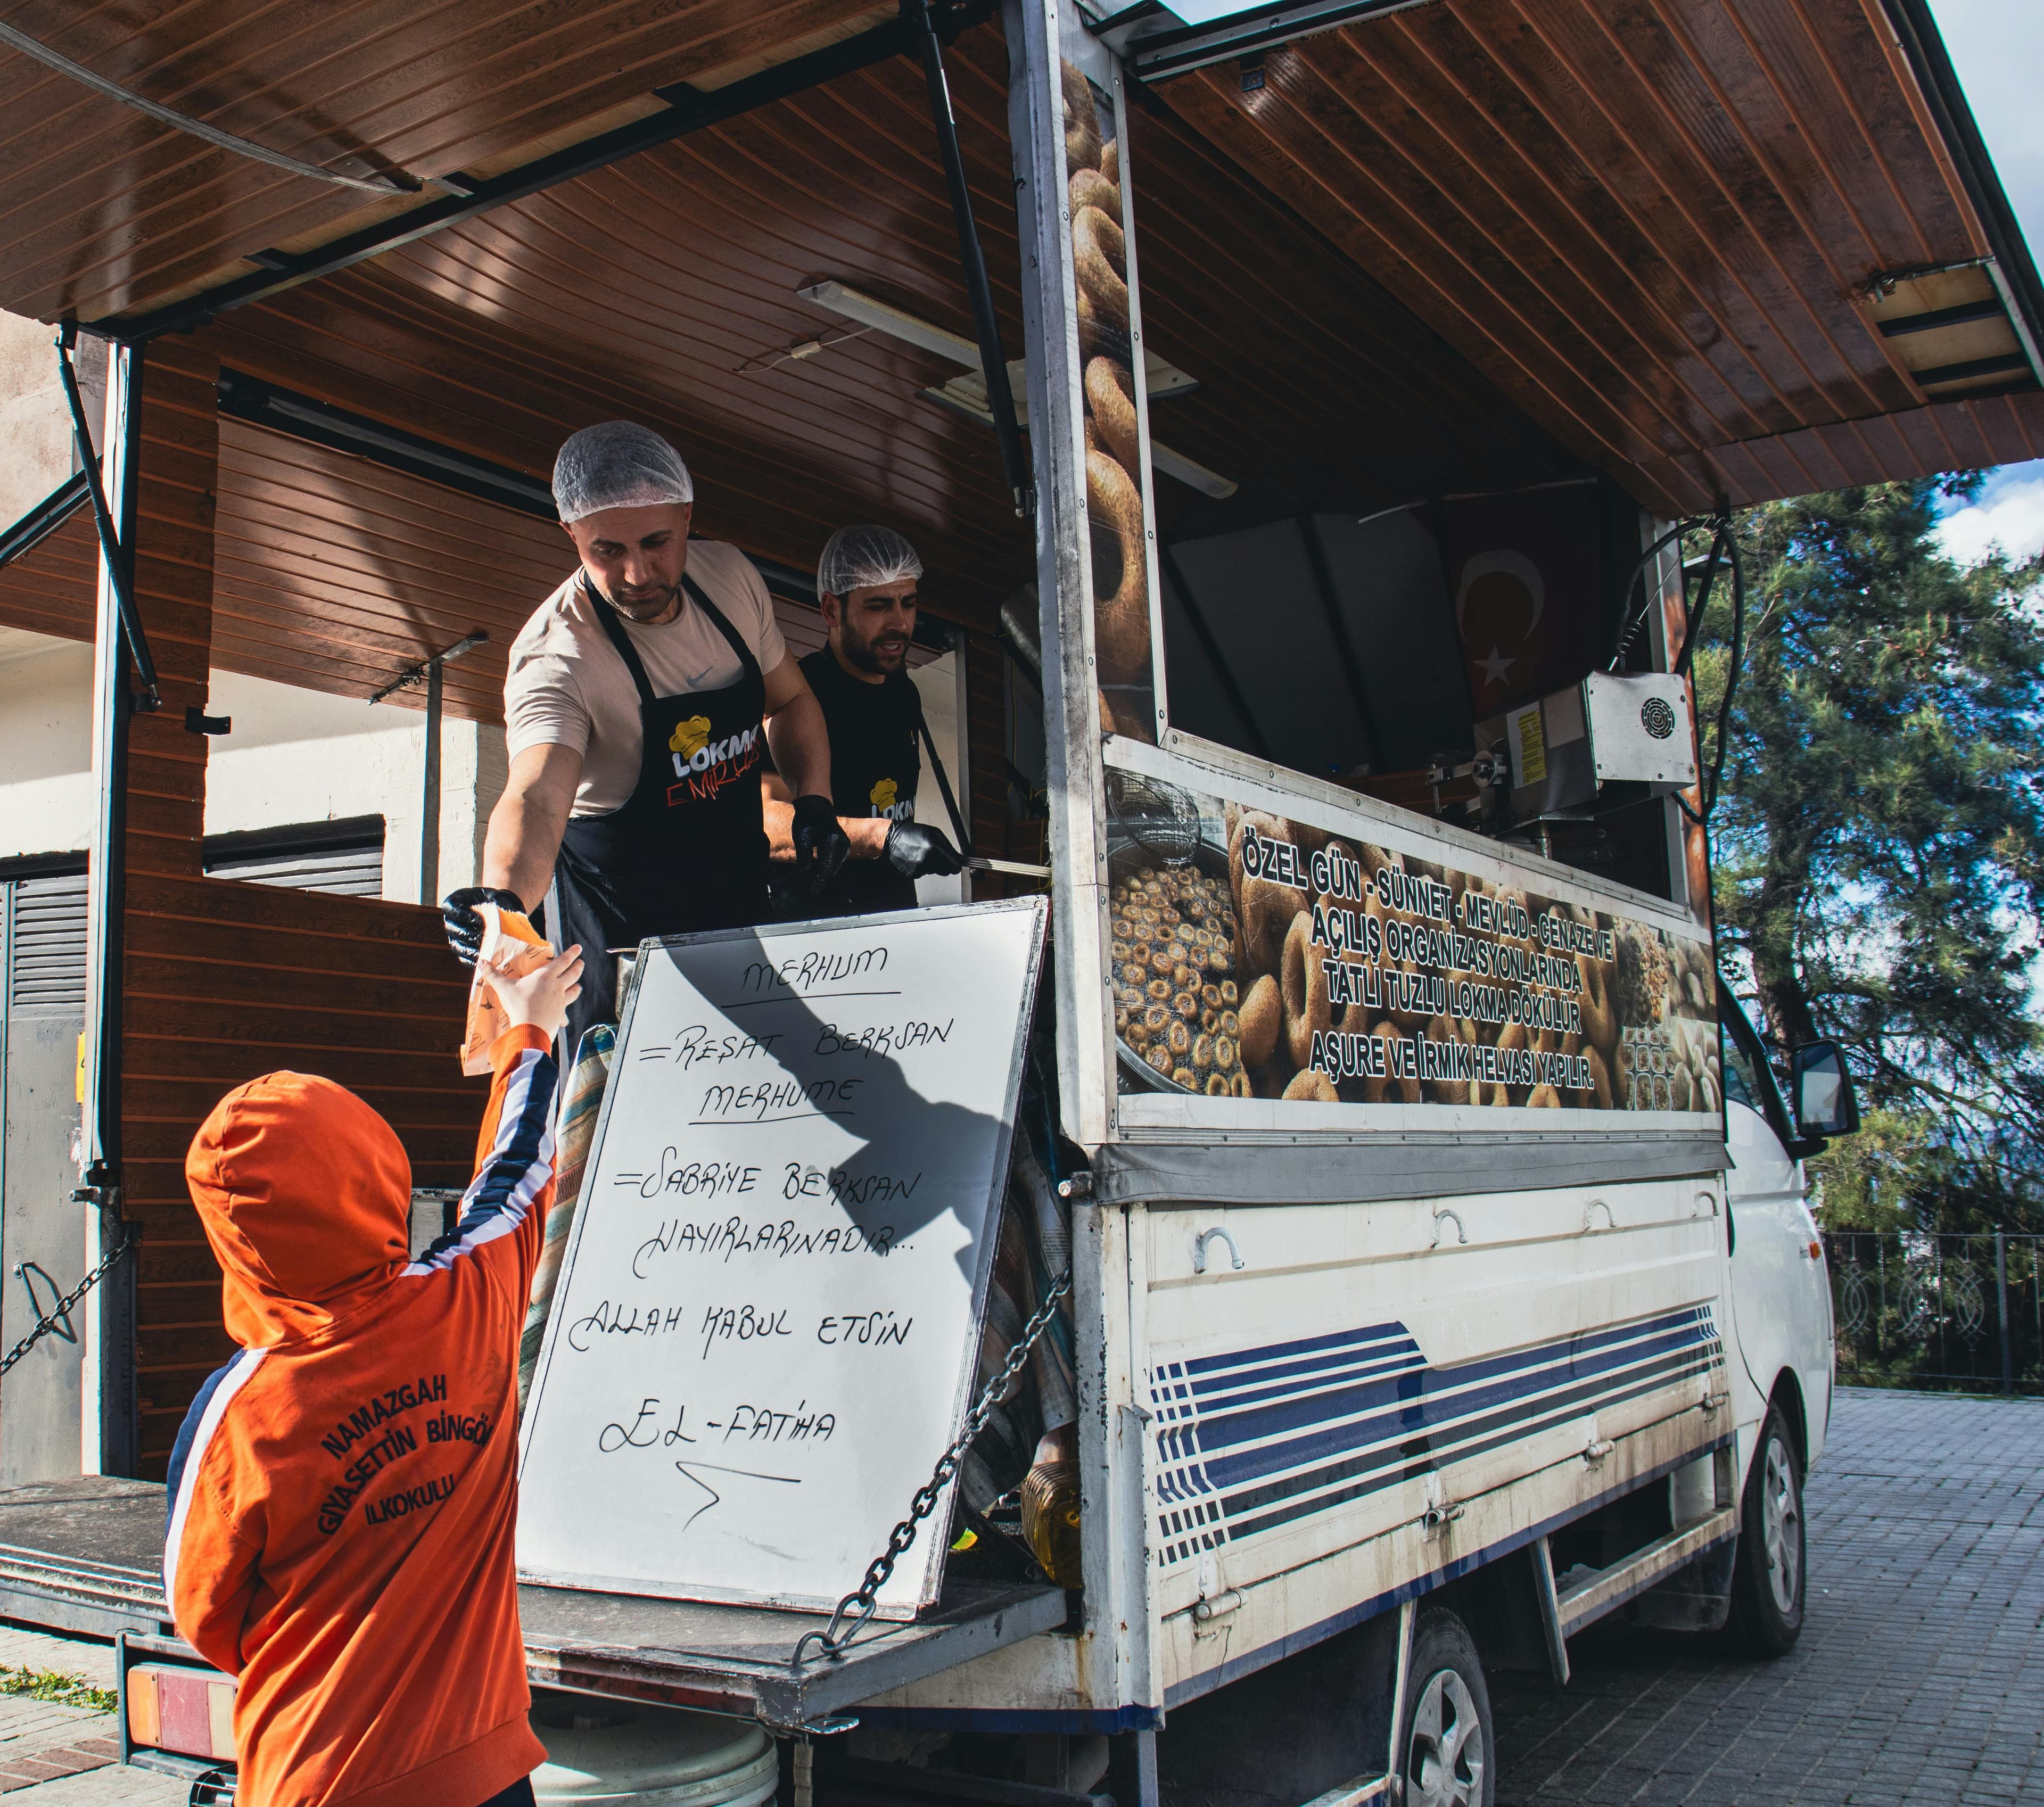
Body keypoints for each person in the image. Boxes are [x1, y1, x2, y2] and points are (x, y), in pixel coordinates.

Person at [166, 941, 585, 1807]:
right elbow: (517, 1171)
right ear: (375, 1171)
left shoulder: (237, 1415)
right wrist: (530, 1025)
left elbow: (204, 1610)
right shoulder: (467, 1300)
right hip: (482, 1768)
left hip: (312, 1776)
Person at [441, 422, 847, 1052]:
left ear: (687, 516)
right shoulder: (558, 656)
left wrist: (815, 801)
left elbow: (791, 699)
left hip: (738, 917)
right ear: (571, 534)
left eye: (657, 542)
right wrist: (502, 899)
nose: (636, 573)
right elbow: (537, 796)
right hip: (624, 957)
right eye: (606, 550)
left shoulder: (731, 580)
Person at [763, 525, 966, 918]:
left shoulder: (905, 692)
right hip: (813, 935)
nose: (899, 623)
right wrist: (882, 838)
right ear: (831, 610)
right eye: (878, 606)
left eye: (908, 603)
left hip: (893, 922)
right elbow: (762, 823)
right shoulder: (797, 695)